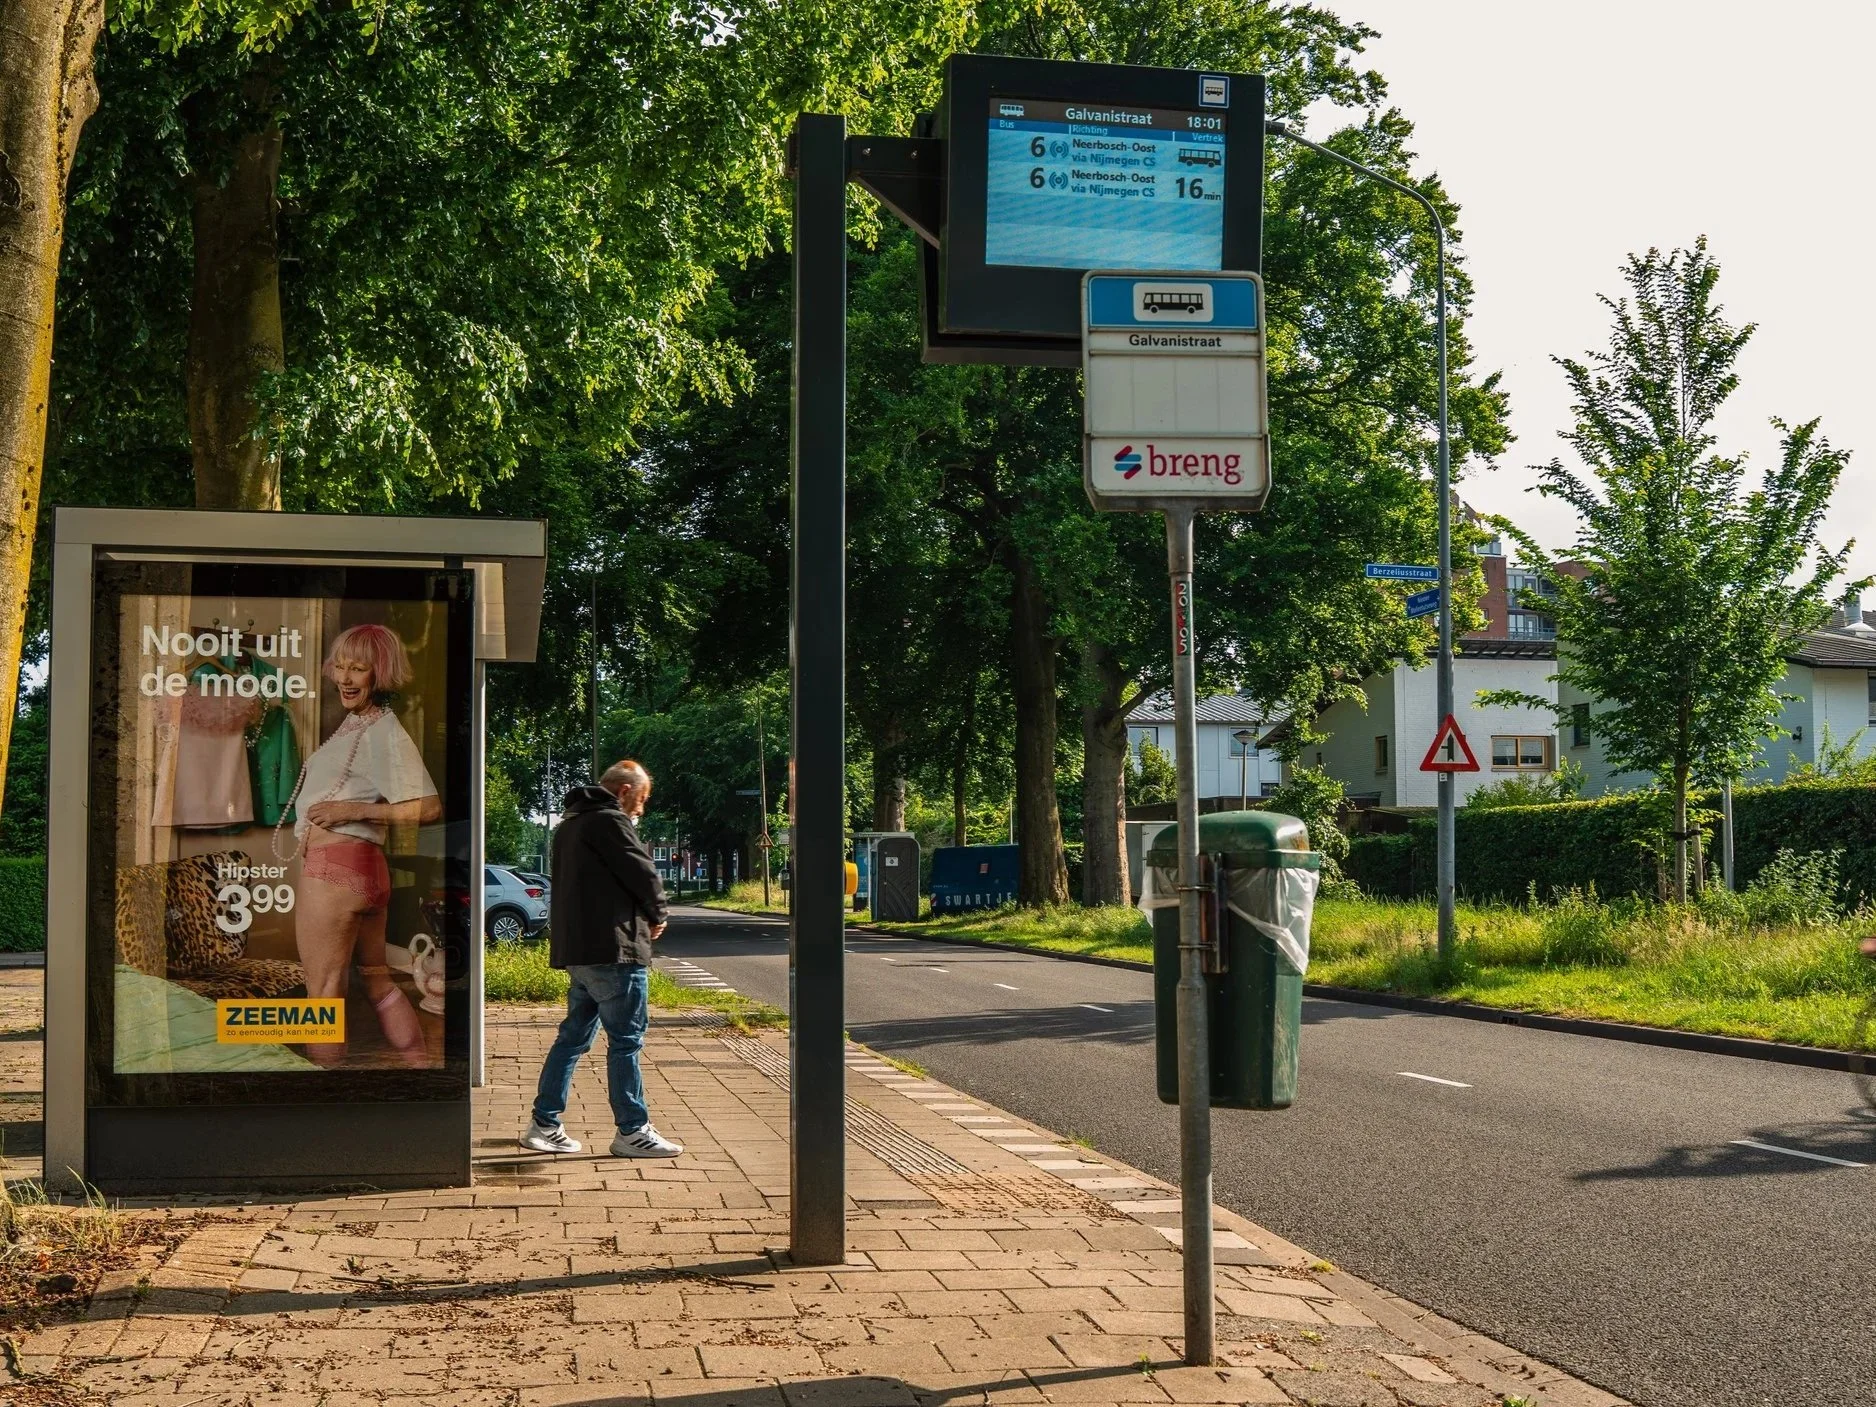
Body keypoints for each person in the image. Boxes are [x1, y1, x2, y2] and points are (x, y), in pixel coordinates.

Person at [283, 623, 441, 1066]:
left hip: (336, 872)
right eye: (342, 667)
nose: (347, 678)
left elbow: (428, 807)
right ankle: (421, 1070)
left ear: (380, 674)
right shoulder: (360, 726)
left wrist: (349, 810)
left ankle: (326, 1104)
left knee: (323, 991)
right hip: (364, 872)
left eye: (360, 669)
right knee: (377, 981)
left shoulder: (382, 731)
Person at [521, 759, 682, 1158]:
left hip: (580, 952)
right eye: (641, 800)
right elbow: (642, 871)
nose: (641, 810)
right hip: (614, 952)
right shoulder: (609, 821)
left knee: (572, 1039)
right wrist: (658, 913)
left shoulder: (570, 825)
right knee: (626, 1041)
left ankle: (544, 1124)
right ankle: (632, 1130)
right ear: (625, 791)